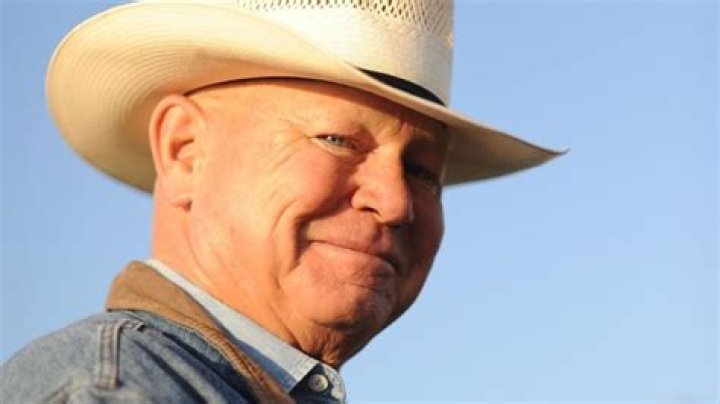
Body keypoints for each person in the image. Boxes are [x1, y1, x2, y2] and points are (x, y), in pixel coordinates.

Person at [0, 0, 560, 402]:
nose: (394, 202)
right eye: (337, 140)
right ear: (184, 151)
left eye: (422, 172)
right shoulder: (113, 390)